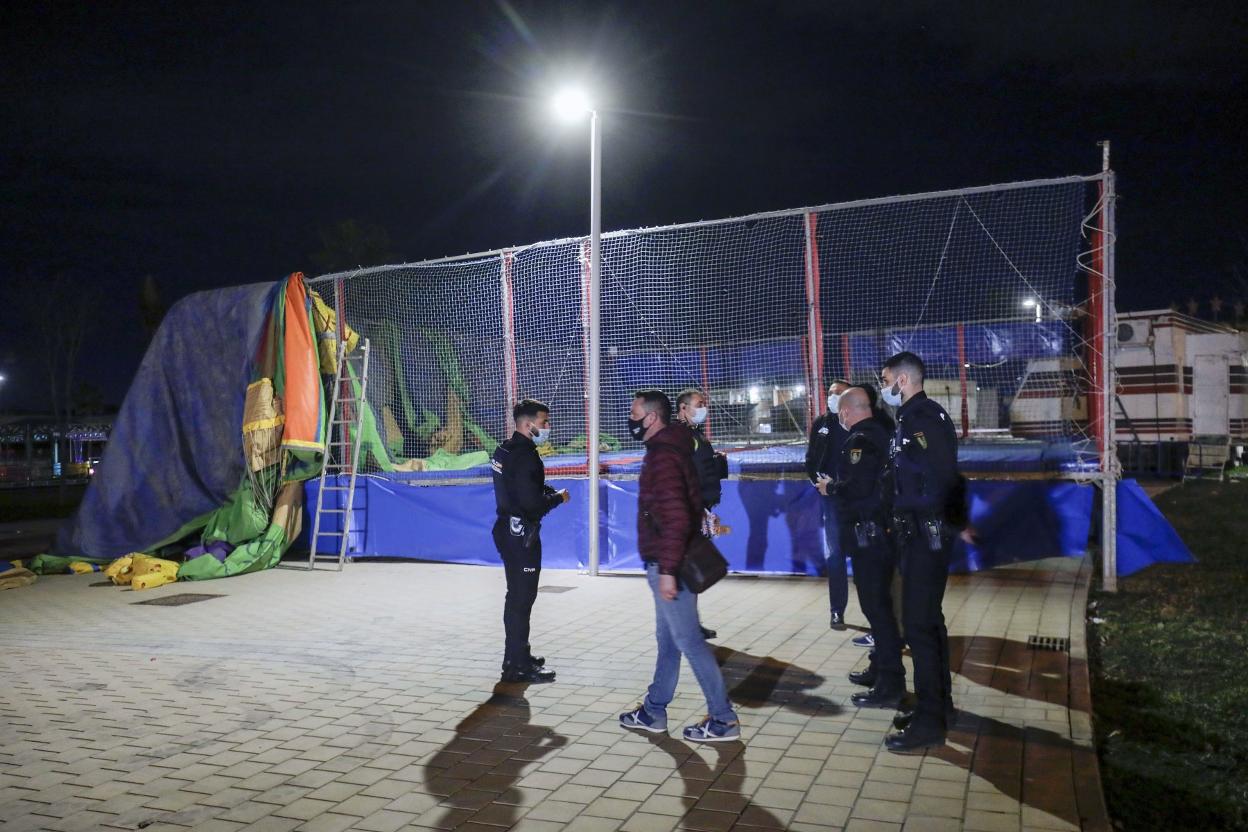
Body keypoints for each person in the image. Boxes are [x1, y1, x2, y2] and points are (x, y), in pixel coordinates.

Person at [619, 389, 740, 742]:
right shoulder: (673, 447)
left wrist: (668, 571)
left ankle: (723, 719)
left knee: (689, 641)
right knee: (669, 641)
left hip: (668, 563)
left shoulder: (664, 457)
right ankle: (654, 710)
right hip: (665, 560)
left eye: (634, 412)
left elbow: (674, 518)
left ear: (652, 418)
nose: (630, 419)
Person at [879, 352, 960, 752]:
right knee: (929, 622)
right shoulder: (914, 417)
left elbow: (940, 475)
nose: (884, 387)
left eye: (886, 379)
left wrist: (927, 519)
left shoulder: (921, 417)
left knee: (918, 627)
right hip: (926, 533)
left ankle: (930, 721)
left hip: (927, 535)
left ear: (903, 380)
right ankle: (939, 705)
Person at [825, 388, 906, 710]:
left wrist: (831, 487)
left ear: (847, 411)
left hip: (868, 536)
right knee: (879, 609)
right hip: (880, 534)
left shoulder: (861, 440)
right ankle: (880, 669)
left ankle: (891, 682)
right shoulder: (884, 432)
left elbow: (858, 487)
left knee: (878, 610)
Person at [490, 399, 570, 684]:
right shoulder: (524, 455)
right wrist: (557, 497)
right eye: (544, 422)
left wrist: (544, 491)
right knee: (521, 601)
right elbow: (532, 504)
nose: (547, 427)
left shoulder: (505, 449)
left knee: (518, 598)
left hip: (507, 530)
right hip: (520, 535)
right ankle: (515, 666)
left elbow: (521, 487)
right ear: (528, 425)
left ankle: (519, 655)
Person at [676, 388, 728, 641]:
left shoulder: (695, 434)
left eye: (704, 403)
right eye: (699, 404)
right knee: (688, 569)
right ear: (683, 408)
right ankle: (685, 626)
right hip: (692, 512)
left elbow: (701, 468)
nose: (703, 408)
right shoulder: (680, 437)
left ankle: (692, 623)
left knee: (693, 569)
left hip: (702, 508)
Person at [806, 379, 852, 630]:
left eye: (839, 393)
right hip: (831, 499)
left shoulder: (860, 423)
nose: (833, 397)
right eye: (831, 393)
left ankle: (877, 616)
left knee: (866, 555)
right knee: (835, 555)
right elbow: (811, 459)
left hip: (859, 498)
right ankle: (837, 611)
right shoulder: (821, 424)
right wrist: (818, 482)